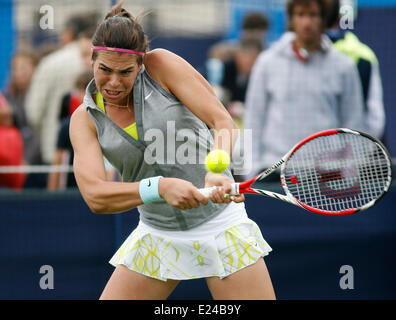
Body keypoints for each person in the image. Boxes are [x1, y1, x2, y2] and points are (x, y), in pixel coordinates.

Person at [70, 0, 275, 300]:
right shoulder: (84, 120)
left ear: (140, 64)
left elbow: (221, 120)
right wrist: (160, 188)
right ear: (92, 60)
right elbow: (95, 196)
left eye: (125, 72)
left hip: (221, 223)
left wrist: (217, 172)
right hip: (156, 232)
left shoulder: (161, 64)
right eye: (105, 70)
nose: (113, 83)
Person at [244, 0, 365, 180]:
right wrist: (252, 171)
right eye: (300, 15)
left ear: (323, 19)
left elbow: (353, 123)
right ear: (292, 20)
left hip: (328, 175)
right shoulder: (267, 63)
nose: (306, 23)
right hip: (275, 173)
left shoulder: (344, 66)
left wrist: (351, 175)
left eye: (313, 15)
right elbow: (253, 119)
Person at [25, 13, 98, 165]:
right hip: (96, 154)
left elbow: (33, 111)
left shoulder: (49, 63)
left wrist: (47, 135)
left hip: (55, 152)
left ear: (69, 33)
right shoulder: (103, 61)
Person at [324, 0, 385, 141]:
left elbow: (374, 116)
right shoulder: (364, 53)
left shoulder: (362, 56)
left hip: (351, 153)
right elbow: (376, 116)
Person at [48, 70, 93, 191]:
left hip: (94, 187)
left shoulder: (105, 123)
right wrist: (51, 193)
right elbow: (58, 161)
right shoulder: (66, 126)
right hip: (70, 188)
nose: (82, 95)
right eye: (80, 90)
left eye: (87, 90)